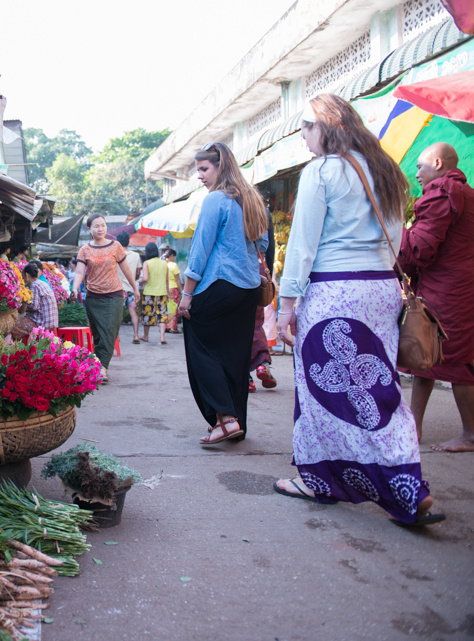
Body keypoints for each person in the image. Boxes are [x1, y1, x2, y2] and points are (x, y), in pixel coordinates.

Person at [274, 94, 442, 527]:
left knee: (321, 390)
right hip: (380, 288)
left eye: (306, 128)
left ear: (324, 127)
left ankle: (322, 480)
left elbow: (303, 245)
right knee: (380, 387)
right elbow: (396, 239)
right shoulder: (386, 170)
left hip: (334, 290)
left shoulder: (322, 171)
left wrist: (285, 306)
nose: (304, 137)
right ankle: (406, 483)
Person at [177, 142, 268, 445]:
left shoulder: (216, 199)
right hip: (248, 288)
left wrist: (187, 294)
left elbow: (201, 248)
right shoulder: (252, 198)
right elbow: (263, 244)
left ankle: (226, 419)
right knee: (235, 355)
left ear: (221, 167)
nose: (200, 176)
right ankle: (236, 422)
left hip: (220, 283)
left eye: (204, 169)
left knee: (200, 345)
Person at [398, 142, 474, 453]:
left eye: (420, 166)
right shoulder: (467, 193)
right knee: (427, 354)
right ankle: (413, 427)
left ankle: (470, 435)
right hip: (458, 285)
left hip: (447, 290)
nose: (417, 174)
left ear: (439, 163)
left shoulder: (443, 192)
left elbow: (420, 250)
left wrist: (396, 229)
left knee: (452, 358)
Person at [70, 214, 140, 383]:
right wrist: (74, 289)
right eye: (96, 226)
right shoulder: (85, 250)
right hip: (93, 297)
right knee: (98, 334)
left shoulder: (116, 246)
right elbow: (79, 272)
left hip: (114, 296)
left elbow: (127, 269)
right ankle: (98, 365)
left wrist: (135, 287)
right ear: (89, 229)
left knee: (109, 331)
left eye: (103, 225)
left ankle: (102, 368)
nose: (100, 229)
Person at [249, 211, 278, 392]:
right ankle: (262, 364)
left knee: (236, 326)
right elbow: (270, 248)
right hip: (259, 269)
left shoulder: (230, 204)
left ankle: (245, 378)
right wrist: (268, 275)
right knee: (256, 322)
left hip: (234, 271)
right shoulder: (263, 211)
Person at [139, 242, 176, 345]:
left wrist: (140, 282)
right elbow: (166, 280)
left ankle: (146, 336)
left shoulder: (146, 263)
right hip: (162, 293)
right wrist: (168, 293)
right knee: (162, 315)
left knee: (147, 314)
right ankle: (162, 337)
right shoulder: (164, 263)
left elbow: (145, 278)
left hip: (149, 293)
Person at [116, 231, 142, 344]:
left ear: (118, 242)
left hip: (119, 290)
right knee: (133, 313)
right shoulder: (136, 255)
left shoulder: (116, 255)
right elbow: (138, 273)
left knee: (117, 314)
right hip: (132, 289)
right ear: (129, 241)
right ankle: (136, 335)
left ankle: (116, 337)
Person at [22, 263, 58, 330]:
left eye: (23, 276)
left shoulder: (34, 285)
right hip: (51, 323)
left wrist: (24, 301)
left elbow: (34, 306)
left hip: (41, 324)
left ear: (27, 275)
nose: (23, 279)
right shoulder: (43, 283)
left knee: (14, 325)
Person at [162, 248, 182, 333]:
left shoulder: (163, 264)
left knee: (166, 307)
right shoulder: (173, 265)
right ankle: (173, 327)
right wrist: (182, 290)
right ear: (172, 256)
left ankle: (166, 326)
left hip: (165, 288)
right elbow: (177, 279)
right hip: (173, 288)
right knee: (174, 307)